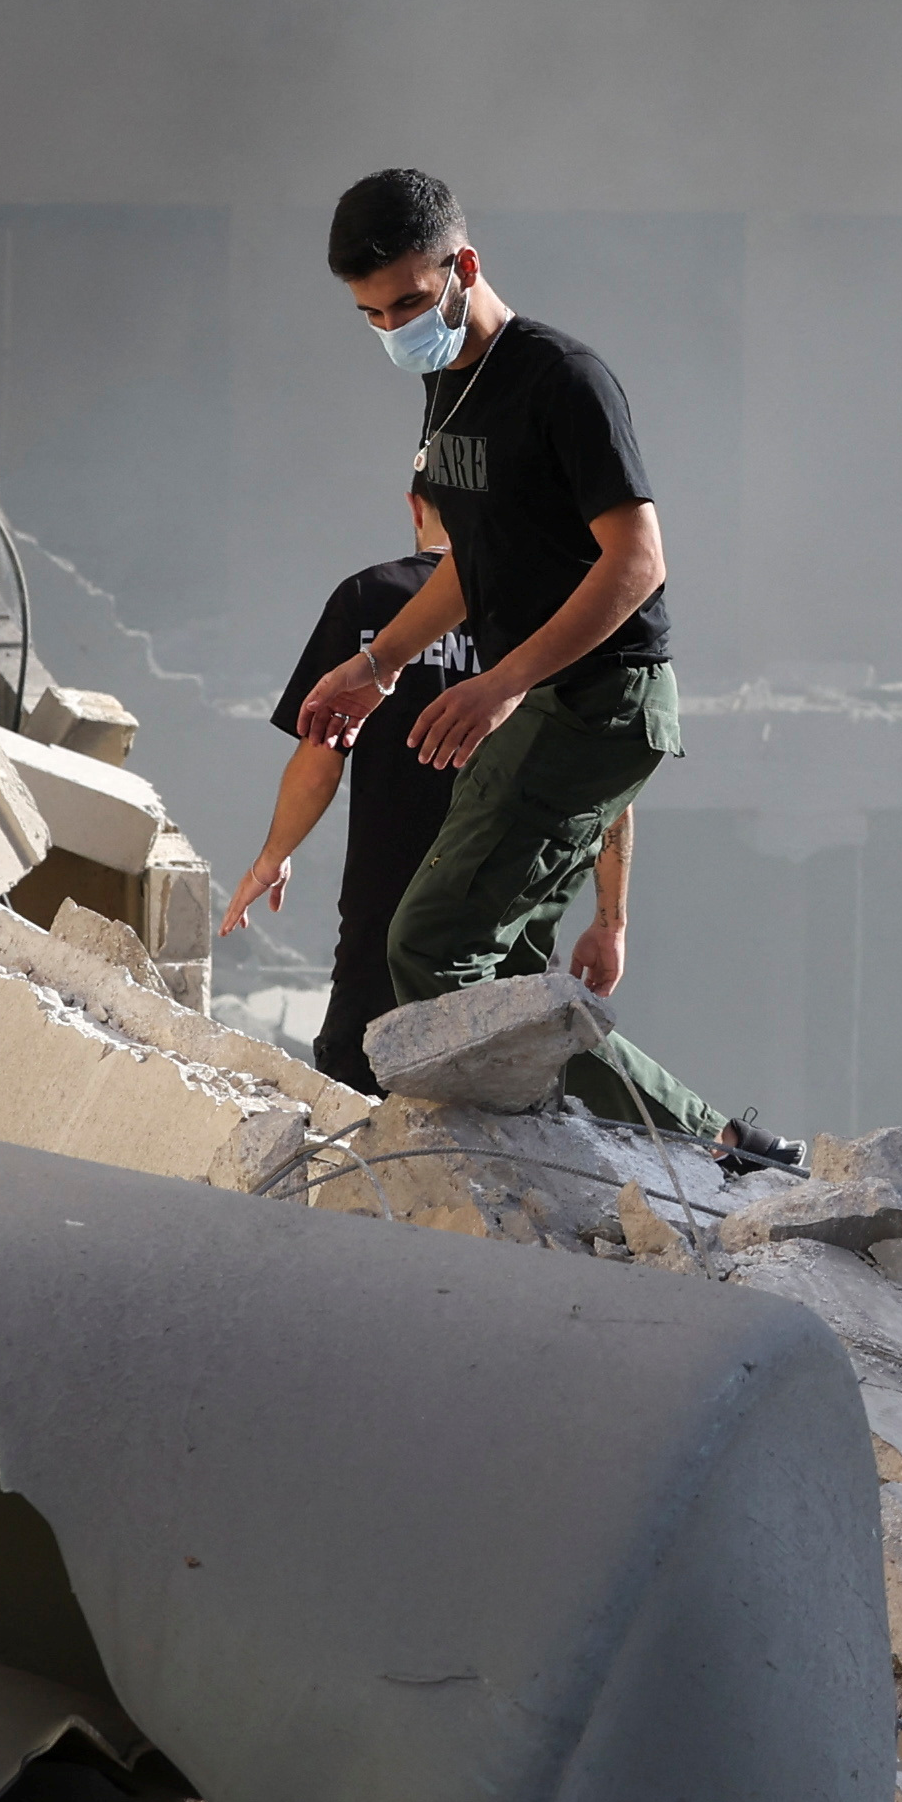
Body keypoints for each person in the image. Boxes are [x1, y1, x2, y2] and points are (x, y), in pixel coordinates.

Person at [294, 167, 794, 1167]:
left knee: (426, 946)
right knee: (503, 951)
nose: (393, 326)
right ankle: (569, 1147)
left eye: (407, 301)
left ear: (462, 266)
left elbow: (639, 562)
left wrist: (503, 681)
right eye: (369, 313)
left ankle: (706, 1140)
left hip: (603, 702)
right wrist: (379, 663)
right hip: (552, 702)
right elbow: (474, 567)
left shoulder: (561, 379)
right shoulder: (447, 387)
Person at [226, 492, 638, 1094]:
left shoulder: (370, 601)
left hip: (385, 910)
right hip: (502, 911)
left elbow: (321, 758)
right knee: (517, 1075)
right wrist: (610, 922)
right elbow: (599, 779)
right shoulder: (552, 615)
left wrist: (271, 858)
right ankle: (716, 1139)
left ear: (416, 507)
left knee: (357, 1089)